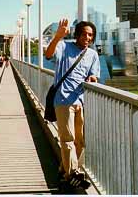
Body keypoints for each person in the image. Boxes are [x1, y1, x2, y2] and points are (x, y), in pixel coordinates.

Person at [45, 18, 100, 189]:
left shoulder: (92, 54)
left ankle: (65, 171)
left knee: (80, 141)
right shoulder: (64, 46)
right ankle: (73, 174)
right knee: (67, 139)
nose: (87, 37)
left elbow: (94, 75)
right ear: (76, 34)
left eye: (90, 35)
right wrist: (58, 36)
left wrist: (92, 78)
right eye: (84, 34)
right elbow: (48, 54)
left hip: (79, 102)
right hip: (62, 100)